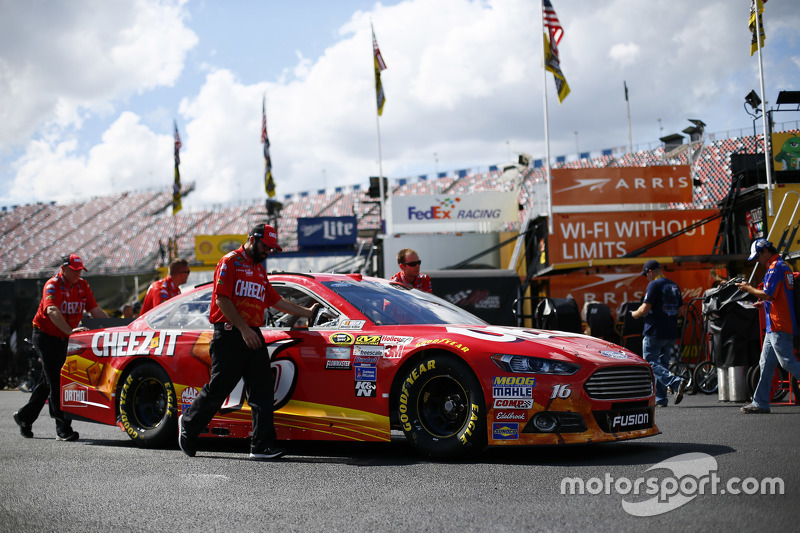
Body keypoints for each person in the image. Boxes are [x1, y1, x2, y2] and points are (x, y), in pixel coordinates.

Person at [178, 223, 321, 460]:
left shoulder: (259, 270)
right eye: (266, 246)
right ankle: (189, 424)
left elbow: (275, 300)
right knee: (221, 387)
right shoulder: (229, 262)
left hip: (252, 333)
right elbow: (222, 299)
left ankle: (261, 446)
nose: (268, 252)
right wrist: (243, 329)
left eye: (272, 249)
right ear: (253, 239)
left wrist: (308, 312)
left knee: (263, 390)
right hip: (230, 333)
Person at [13, 254, 109, 441]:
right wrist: (70, 331)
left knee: (48, 380)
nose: (77, 274)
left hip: (66, 336)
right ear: (63, 268)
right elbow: (52, 311)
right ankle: (63, 428)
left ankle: (24, 417)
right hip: (45, 336)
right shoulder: (52, 285)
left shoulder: (83, 286)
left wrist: (115, 328)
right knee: (58, 380)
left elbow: (95, 310)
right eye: (74, 270)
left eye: (80, 270)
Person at [736, 239, 800, 414]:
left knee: (787, 362)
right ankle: (760, 403)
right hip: (776, 324)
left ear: (765, 252)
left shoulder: (775, 268)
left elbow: (769, 294)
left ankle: (760, 402)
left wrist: (748, 288)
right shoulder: (782, 266)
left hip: (779, 324)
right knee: (765, 364)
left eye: (757, 257)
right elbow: (776, 297)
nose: (757, 260)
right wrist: (761, 303)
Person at [631, 259, 687, 407]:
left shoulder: (654, 284)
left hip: (654, 330)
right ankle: (661, 399)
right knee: (662, 364)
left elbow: (645, 309)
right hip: (670, 330)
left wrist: (635, 314)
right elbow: (681, 311)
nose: (646, 278)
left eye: (646, 275)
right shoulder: (674, 285)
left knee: (650, 362)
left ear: (650, 272)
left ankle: (675, 382)